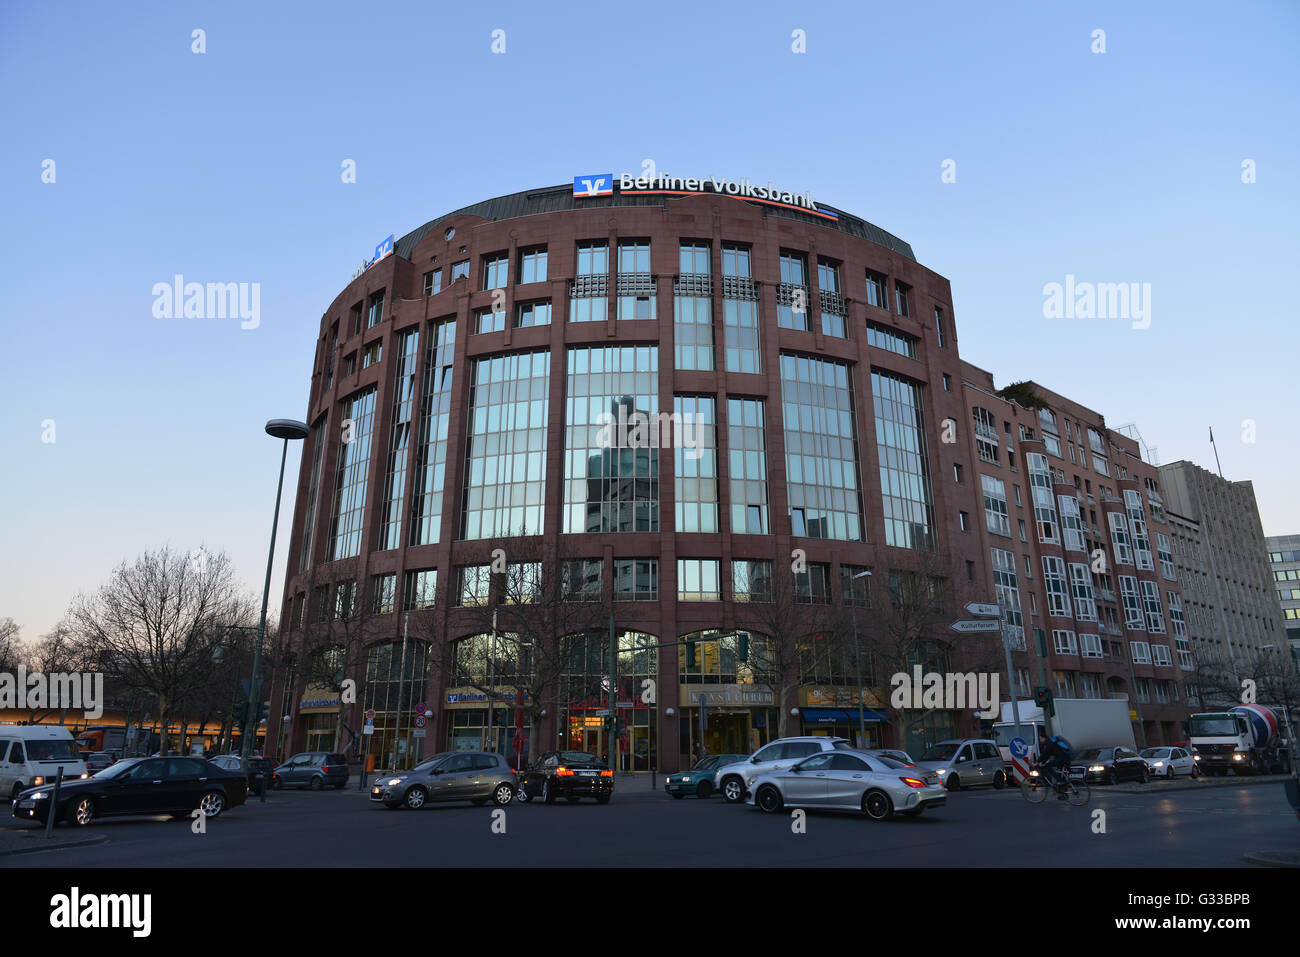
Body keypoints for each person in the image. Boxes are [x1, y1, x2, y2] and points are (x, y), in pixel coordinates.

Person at [1037, 730, 1071, 798]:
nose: (1040, 740)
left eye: (1040, 738)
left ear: (1044, 738)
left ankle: (1060, 781)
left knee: (1048, 766)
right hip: (1065, 758)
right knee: (1061, 776)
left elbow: (1045, 754)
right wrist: (1042, 762)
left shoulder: (1049, 743)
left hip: (1062, 759)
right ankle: (1063, 795)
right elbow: (1047, 756)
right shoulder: (1052, 742)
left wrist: (1037, 762)